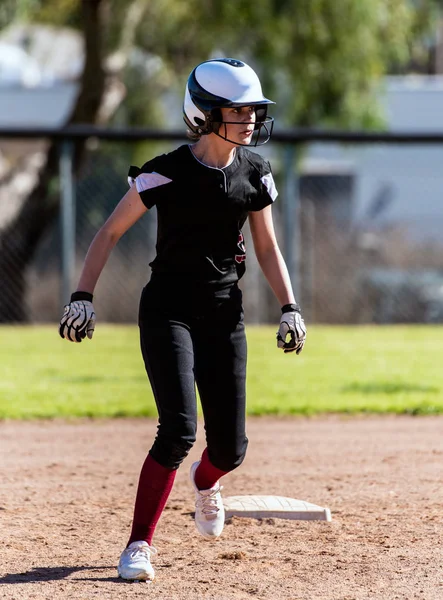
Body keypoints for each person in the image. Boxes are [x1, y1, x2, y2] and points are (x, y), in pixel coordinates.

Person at [59, 57, 307, 582]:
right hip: (168, 309)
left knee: (230, 450)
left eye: (252, 110)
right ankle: (138, 545)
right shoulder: (166, 169)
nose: (249, 120)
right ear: (206, 113)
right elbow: (108, 232)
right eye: (237, 110)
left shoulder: (255, 173)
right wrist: (83, 294)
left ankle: (206, 480)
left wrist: (290, 306)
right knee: (176, 428)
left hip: (224, 312)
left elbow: (266, 246)